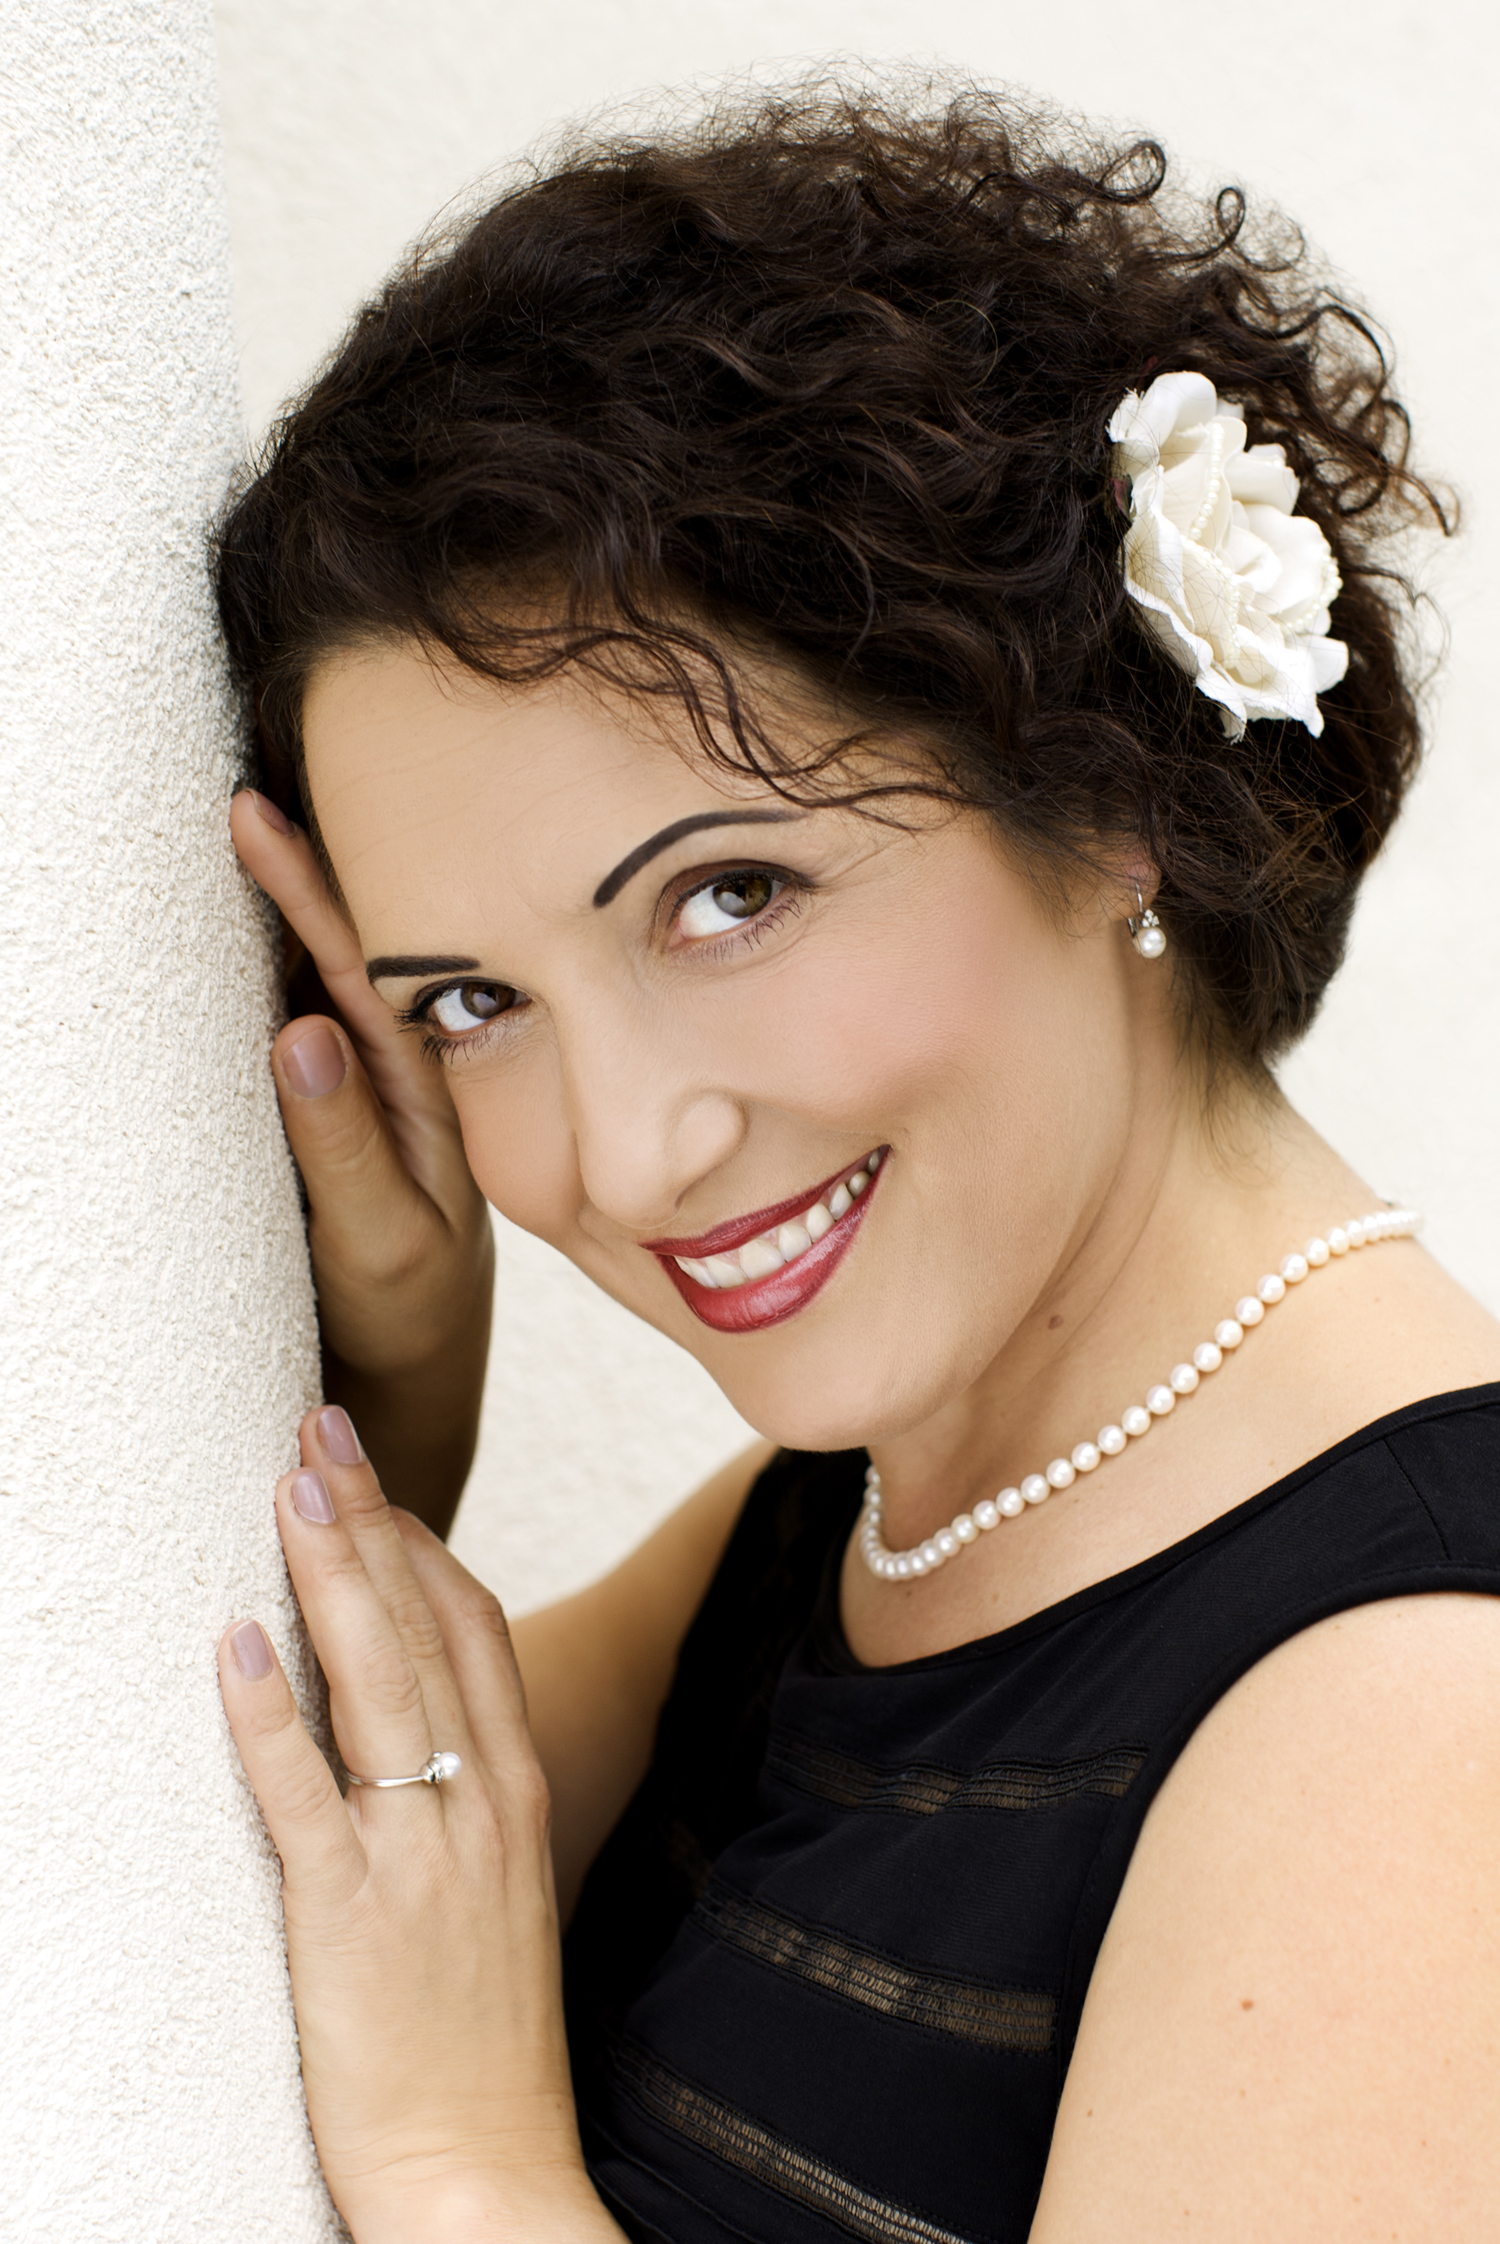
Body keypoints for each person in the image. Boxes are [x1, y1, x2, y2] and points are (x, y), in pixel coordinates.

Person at [211, 82, 1500, 2243]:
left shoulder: (1428, 1705)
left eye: (727, 897)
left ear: (1110, 787)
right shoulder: (864, 1513)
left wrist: (460, 2169)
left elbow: (414, 2048)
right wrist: (398, 1385)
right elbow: (256, 1860)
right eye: (474, 1000)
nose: (629, 1158)